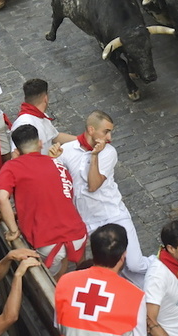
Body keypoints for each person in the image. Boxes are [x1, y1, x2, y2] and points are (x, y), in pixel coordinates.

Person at [57, 111, 151, 288]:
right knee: (112, 268)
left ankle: (160, 271)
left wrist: (94, 156)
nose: (110, 137)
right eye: (106, 132)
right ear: (91, 130)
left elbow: (93, 184)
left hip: (113, 214)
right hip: (89, 222)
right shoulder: (67, 151)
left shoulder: (108, 153)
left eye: (110, 132)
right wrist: (51, 156)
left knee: (134, 264)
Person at [0, 124, 88, 280]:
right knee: (68, 271)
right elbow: (59, 196)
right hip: (76, 234)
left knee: (50, 284)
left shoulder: (12, 166)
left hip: (47, 239)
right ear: (40, 143)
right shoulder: (56, 163)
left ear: (16, 151)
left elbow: (2, 199)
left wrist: (13, 230)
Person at [9, 78, 75, 153]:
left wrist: (81, 139)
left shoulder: (41, 116)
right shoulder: (23, 126)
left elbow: (55, 136)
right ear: (46, 98)